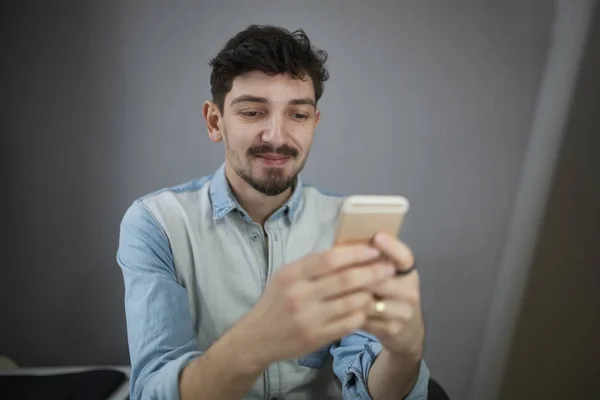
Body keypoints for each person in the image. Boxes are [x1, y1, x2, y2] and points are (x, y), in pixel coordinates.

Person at [117, 24, 430, 400]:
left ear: (313, 123)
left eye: (297, 115)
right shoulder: (156, 224)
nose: (277, 136)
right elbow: (152, 392)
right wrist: (257, 341)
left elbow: (366, 389)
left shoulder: (346, 225)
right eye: (252, 112)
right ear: (215, 122)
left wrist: (405, 354)